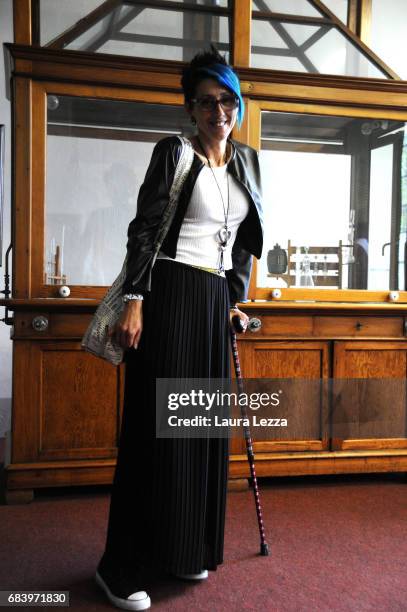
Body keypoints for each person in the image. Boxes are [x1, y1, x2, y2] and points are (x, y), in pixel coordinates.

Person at [95, 45, 263, 611]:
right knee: (154, 433)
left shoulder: (246, 161)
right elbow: (143, 230)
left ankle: (184, 547)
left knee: (198, 432)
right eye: (207, 102)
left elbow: (242, 241)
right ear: (191, 109)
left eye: (228, 100)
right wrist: (135, 302)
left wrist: (235, 300)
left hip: (213, 302)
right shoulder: (174, 152)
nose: (219, 111)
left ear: (237, 103)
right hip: (167, 296)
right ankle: (119, 567)